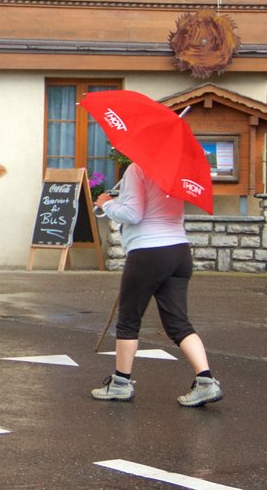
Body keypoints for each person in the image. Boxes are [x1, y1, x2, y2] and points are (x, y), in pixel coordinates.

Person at [91, 163, 222, 407]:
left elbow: (133, 214)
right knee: (178, 323)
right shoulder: (176, 169)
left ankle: (120, 384)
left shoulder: (137, 169)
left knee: (129, 319)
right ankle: (206, 381)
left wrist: (106, 203)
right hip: (179, 251)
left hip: (147, 251)